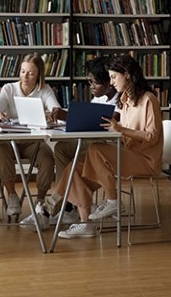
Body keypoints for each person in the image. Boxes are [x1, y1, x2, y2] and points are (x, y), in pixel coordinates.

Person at [51, 54, 163, 239]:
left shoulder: (148, 99)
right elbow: (122, 133)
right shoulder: (124, 100)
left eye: (113, 77)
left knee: (95, 148)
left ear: (126, 74)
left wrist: (119, 129)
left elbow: (152, 136)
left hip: (146, 160)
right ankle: (85, 223)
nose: (111, 83)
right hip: (127, 155)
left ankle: (112, 200)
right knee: (74, 169)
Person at [48, 56, 119, 226]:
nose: (92, 87)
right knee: (62, 148)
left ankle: (58, 205)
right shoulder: (100, 98)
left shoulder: (120, 101)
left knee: (75, 164)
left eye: (95, 83)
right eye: (89, 82)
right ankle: (69, 205)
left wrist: (66, 116)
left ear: (109, 82)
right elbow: (87, 120)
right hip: (94, 142)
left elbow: (102, 122)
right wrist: (63, 117)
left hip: (107, 146)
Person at [0, 54, 59, 224]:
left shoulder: (44, 89)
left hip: (32, 142)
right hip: (9, 141)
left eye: (30, 73)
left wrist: (50, 114)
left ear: (39, 75)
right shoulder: (9, 88)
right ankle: (12, 195)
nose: (25, 77)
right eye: (22, 72)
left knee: (47, 157)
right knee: (0, 150)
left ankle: (40, 201)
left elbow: (56, 109)